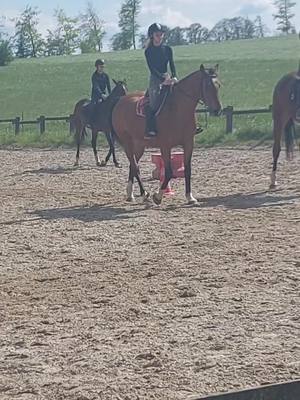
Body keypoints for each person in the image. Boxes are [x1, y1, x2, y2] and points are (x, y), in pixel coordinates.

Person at [144, 23, 178, 138]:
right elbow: (152, 69)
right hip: (155, 79)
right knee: (154, 103)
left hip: (167, 76)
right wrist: (162, 79)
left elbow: (172, 64)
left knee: (181, 96)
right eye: (157, 34)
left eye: (161, 34)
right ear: (152, 36)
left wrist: (174, 76)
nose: (160, 37)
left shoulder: (168, 49)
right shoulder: (148, 51)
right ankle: (151, 128)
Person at [90, 59, 111, 124]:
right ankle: (92, 122)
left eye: (103, 66)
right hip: (96, 95)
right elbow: (96, 87)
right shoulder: (94, 76)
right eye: (100, 66)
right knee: (93, 107)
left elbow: (108, 86)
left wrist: (110, 95)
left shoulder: (106, 75)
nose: (102, 68)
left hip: (104, 95)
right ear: (97, 67)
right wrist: (101, 95)